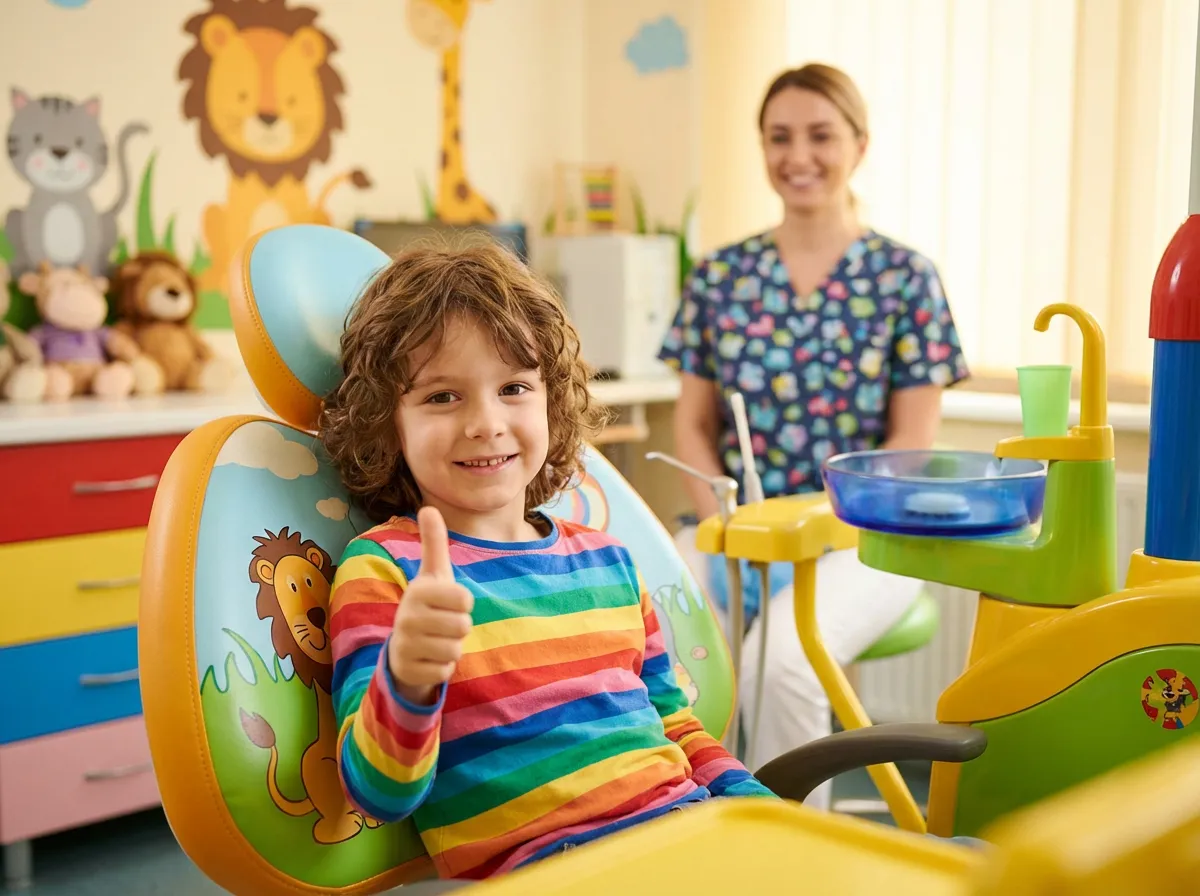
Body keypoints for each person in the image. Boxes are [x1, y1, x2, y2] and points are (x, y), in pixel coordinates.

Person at [318, 240, 776, 887]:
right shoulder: (389, 571)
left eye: (513, 387)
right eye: (443, 397)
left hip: (685, 841)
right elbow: (379, 796)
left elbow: (674, 725)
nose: (486, 422)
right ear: (385, 422)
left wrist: (763, 814)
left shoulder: (609, 562)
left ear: (551, 403)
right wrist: (409, 676)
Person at [658, 62, 970, 804]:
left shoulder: (905, 278)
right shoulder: (720, 276)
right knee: (652, 628)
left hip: (868, 539)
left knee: (781, 664)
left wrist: (805, 533)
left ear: (858, 145)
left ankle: (788, 850)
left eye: (820, 135)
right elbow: (692, 426)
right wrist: (726, 527)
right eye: (779, 137)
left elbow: (909, 451)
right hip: (734, 528)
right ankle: (671, 821)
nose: (799, 156)